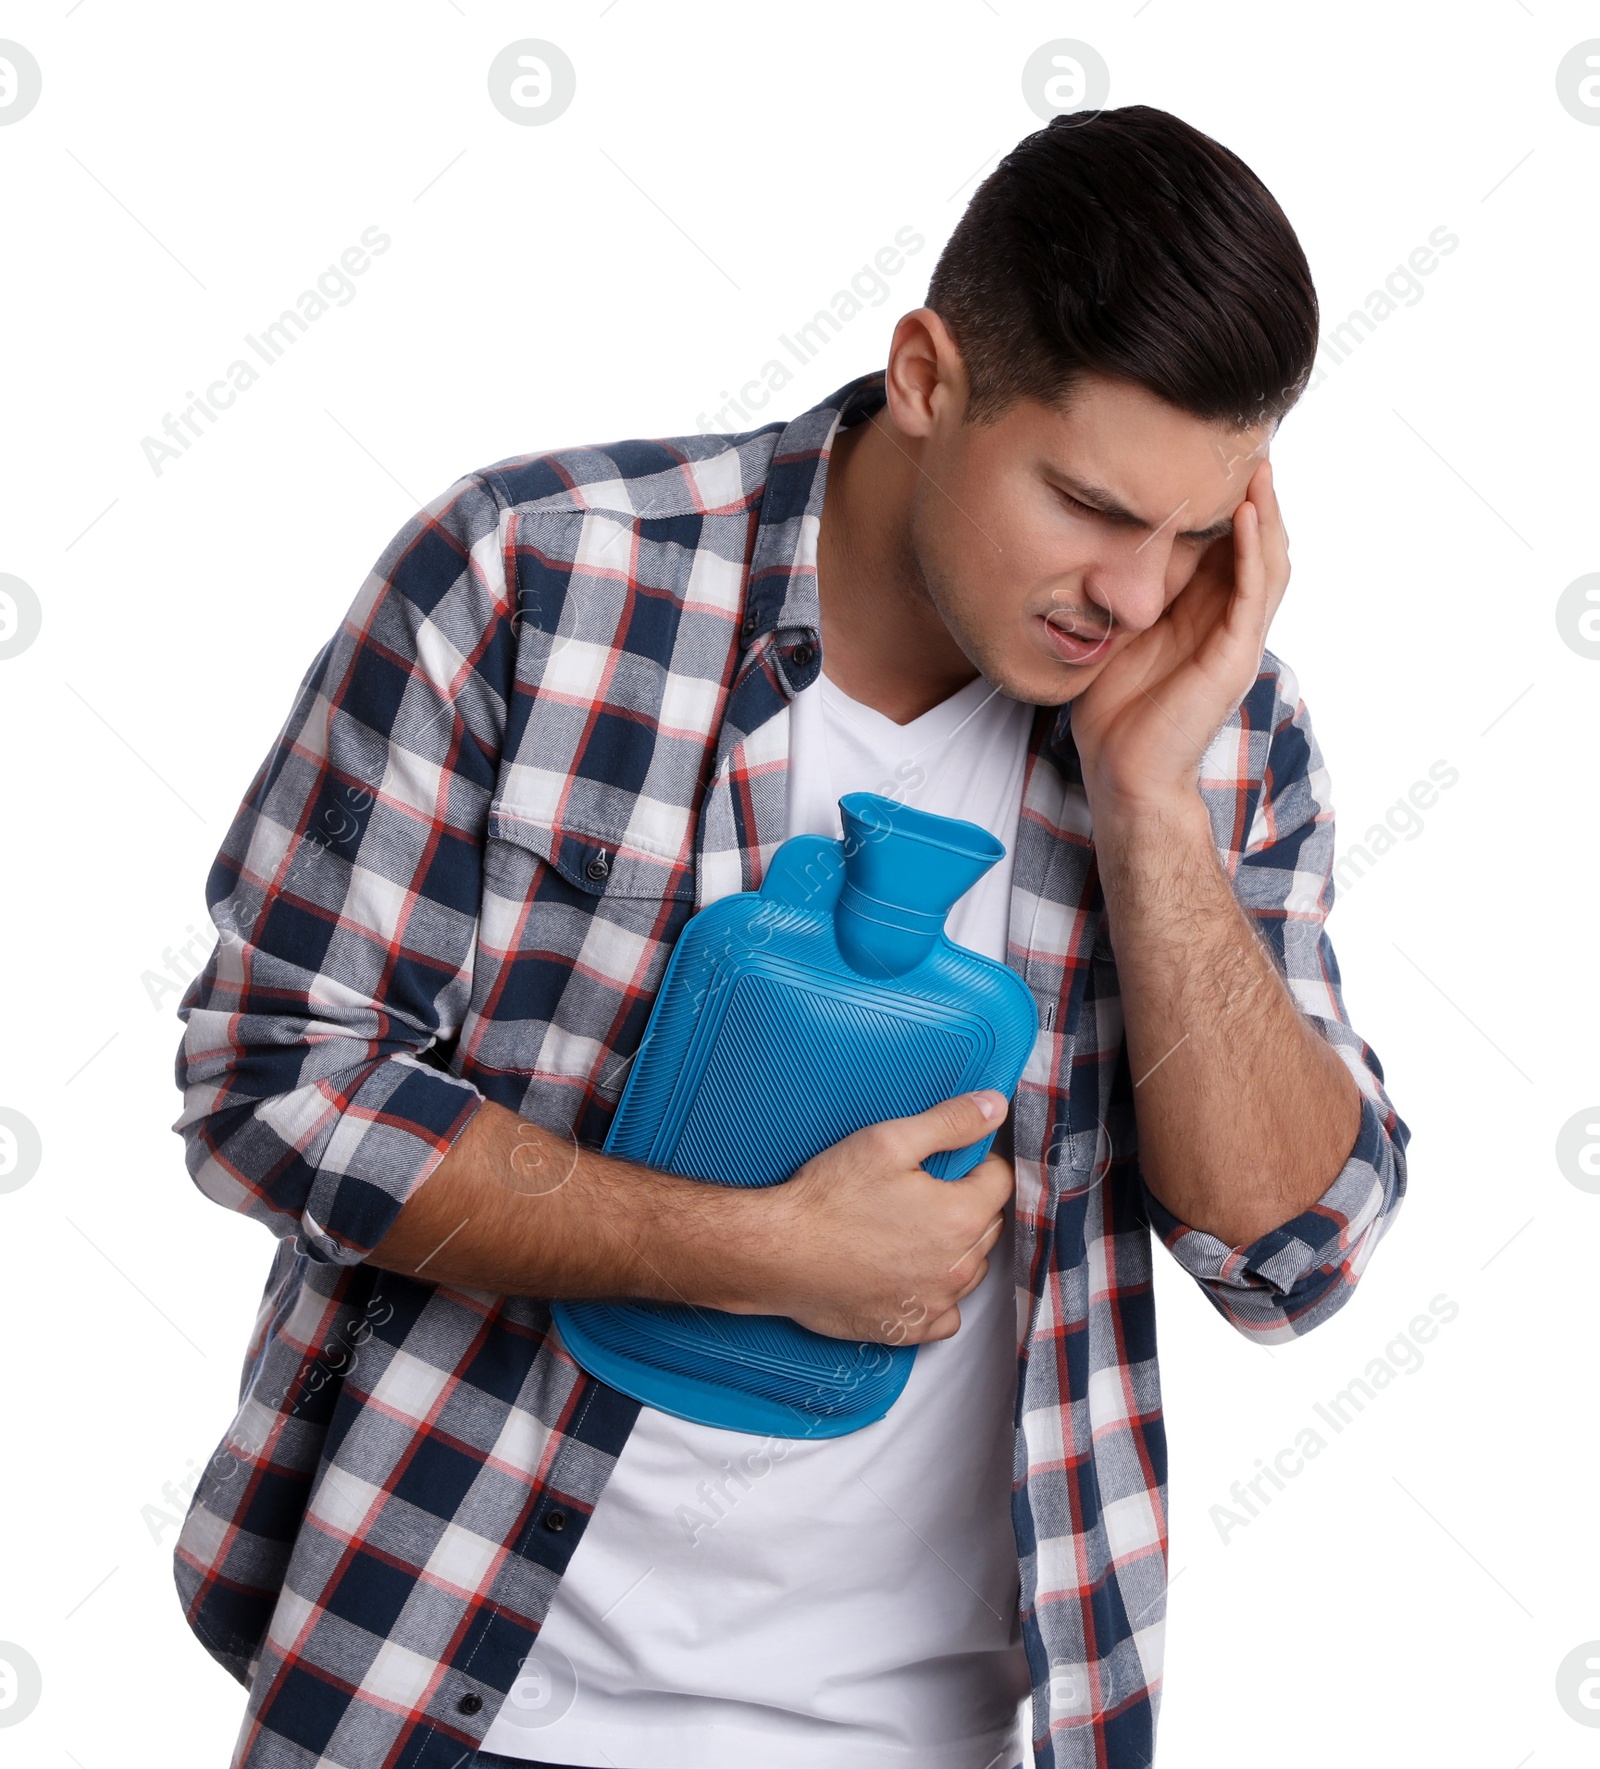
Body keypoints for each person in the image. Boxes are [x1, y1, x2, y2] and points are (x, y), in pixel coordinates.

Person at [169, 104, 1410, 1769]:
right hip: (447, 1686)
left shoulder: (1209, 731)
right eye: (1090, 503)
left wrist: (1148, 804)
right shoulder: (537, 579)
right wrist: (756, 1248)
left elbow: (1293, 1255)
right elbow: (270, 1082)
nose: (1134, 591)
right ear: (926, 373)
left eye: (1196, 531)